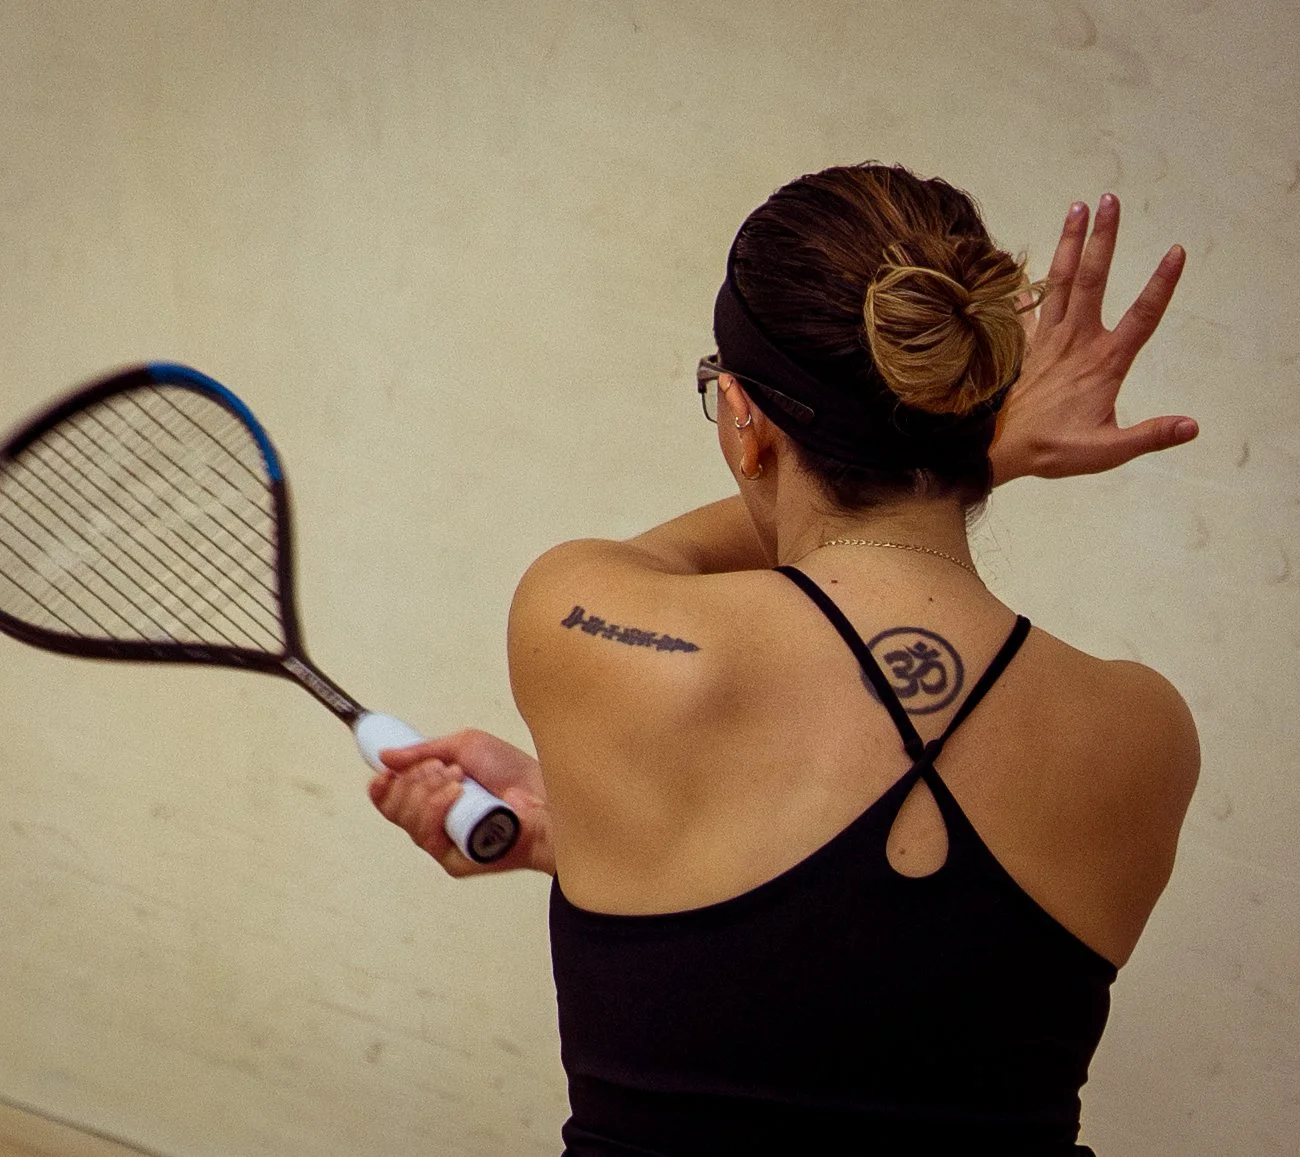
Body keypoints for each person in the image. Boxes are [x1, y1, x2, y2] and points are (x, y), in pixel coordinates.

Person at [369, 165, 1201, 1155]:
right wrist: (588, 827)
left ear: (746, 423)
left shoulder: (589, 628)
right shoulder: (1143, 731)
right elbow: (893, 965)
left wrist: (986, 450)